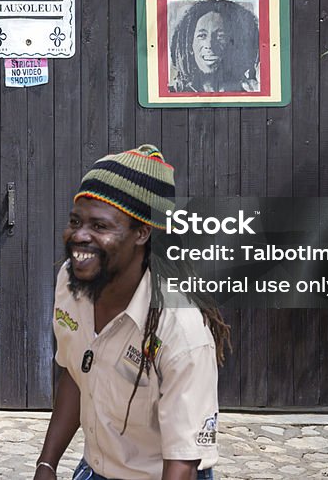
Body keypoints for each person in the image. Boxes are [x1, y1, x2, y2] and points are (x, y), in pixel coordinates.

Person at [34, 145, 231, 480]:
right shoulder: (71, 282)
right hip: (97, 468)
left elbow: (182, 462)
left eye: (100, 225)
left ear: (142, 233)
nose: (80, 236)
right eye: (75, 221)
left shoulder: (180, 331)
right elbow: (76, 372)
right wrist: (47, 465)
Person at [168, 0, 260, 93]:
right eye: (202, 36)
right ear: (189, 45)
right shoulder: (172, 94)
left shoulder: (252, 91)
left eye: (220, 36)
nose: (209, 45)